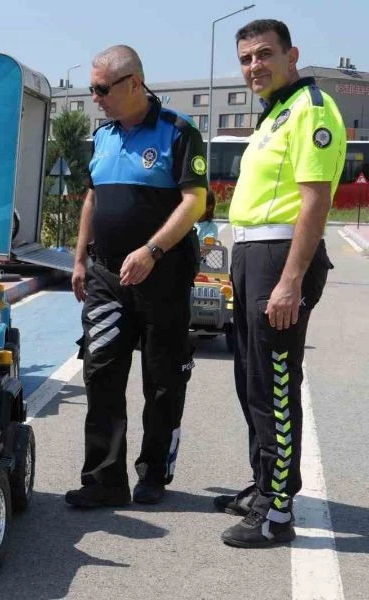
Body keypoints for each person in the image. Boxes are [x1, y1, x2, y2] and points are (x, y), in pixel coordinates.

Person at [215, 19, 345, 548]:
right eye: (246, 58)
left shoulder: (311, 108)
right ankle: (268, 483)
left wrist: (290, 281)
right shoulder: (274, 114)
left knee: (274, 386)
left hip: (280, 259)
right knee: (251, 382)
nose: (254, 66)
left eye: (264, 54)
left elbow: (315, 200)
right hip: (252, 255)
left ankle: (278, 511)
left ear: (292, 55)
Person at [65, 45, 207, 509]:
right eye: (92, 88)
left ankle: (153, 473)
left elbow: (195, 202)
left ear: (133, 84)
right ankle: (104, 479)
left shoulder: (178, 133)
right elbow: (92, 199)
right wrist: (80, 257)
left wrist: (152, 250)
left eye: (101, 89)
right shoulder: (103, 136)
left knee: (162, 379)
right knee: (101, 372)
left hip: (163, 276)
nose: (94, 97)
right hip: (107, 277)